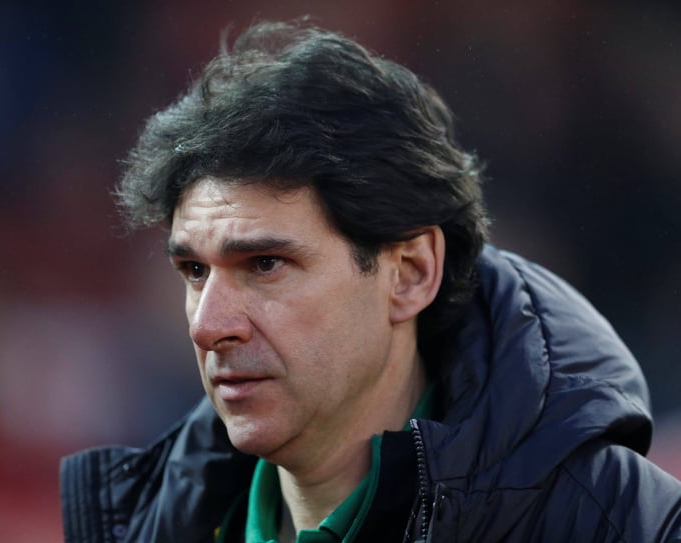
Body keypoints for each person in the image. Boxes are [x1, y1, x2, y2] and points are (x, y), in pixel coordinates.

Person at [60, 20, 681, 542]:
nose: (207, 325)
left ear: (410, 274)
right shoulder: (139, 526)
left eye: (265, 264)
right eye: (194, 271)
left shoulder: (617, 522)